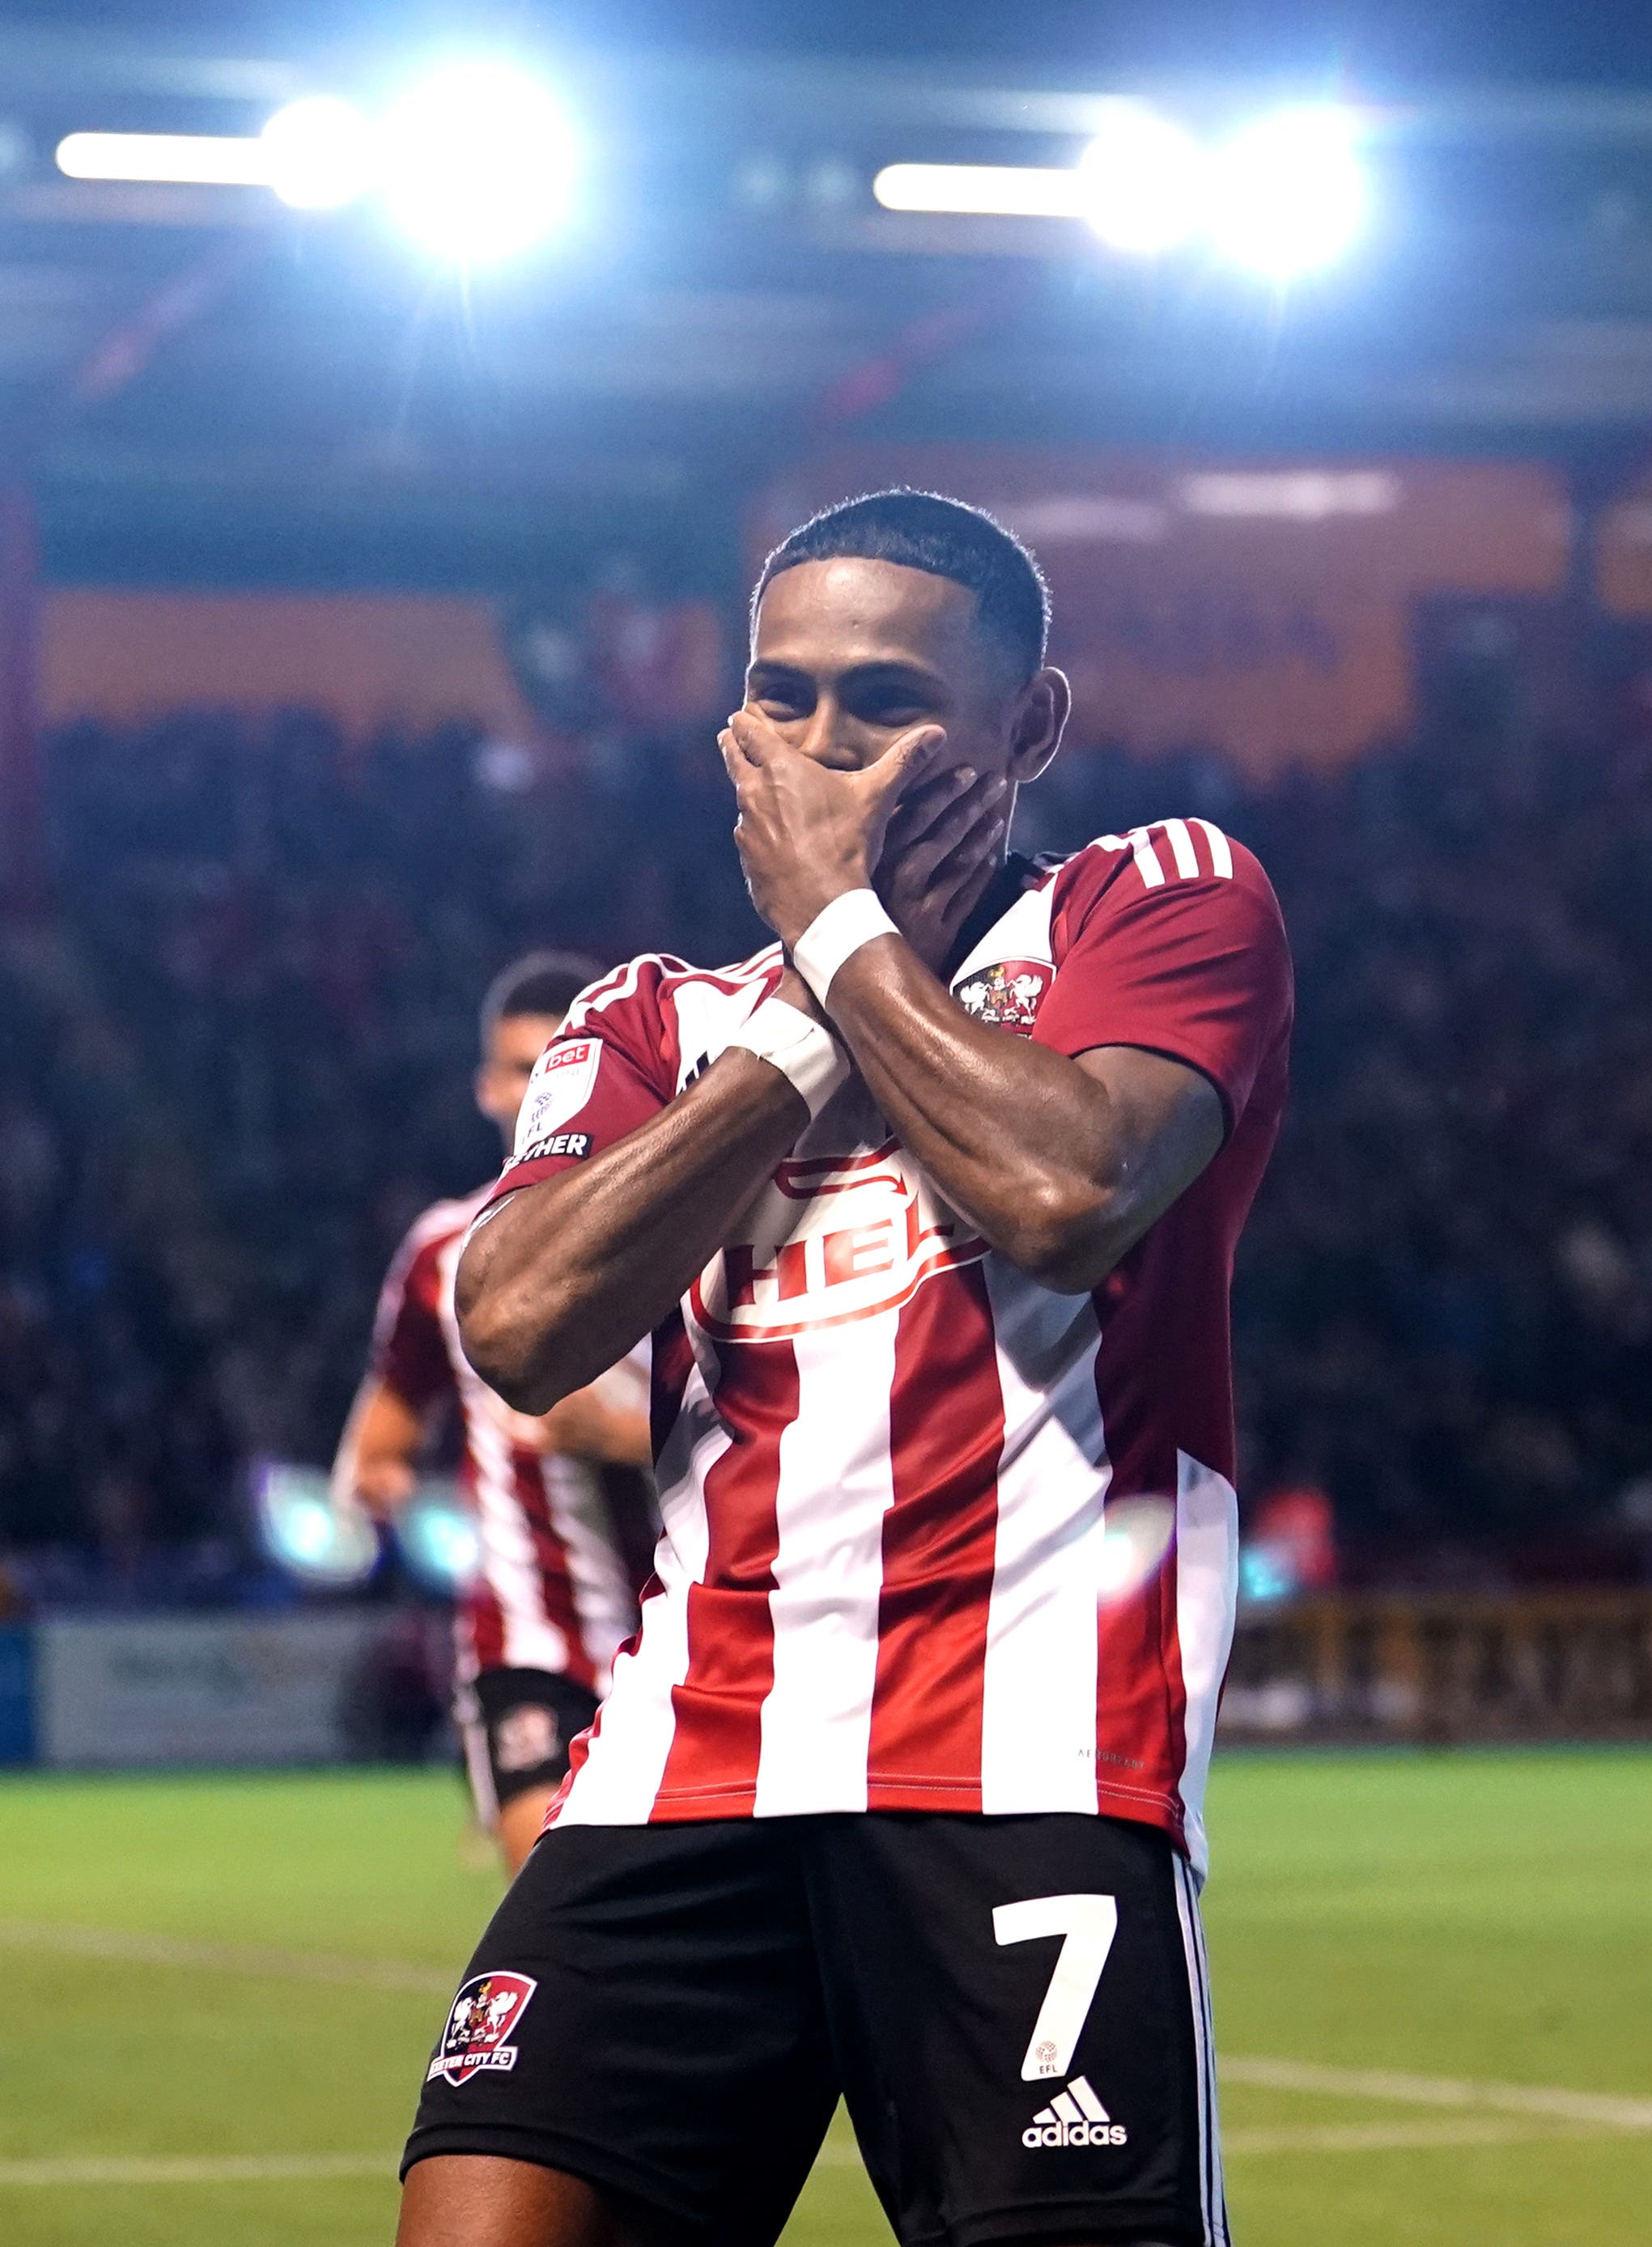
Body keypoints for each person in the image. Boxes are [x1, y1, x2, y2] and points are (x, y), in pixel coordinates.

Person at [403, 489, 1293, 2247]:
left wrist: (843, 935)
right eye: (781, 693)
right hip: (684, 1763)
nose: (818, 749)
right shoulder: (647, 1019)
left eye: (883, 700)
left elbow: (1063, 1186)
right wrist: (807, 1013)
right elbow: (514, 1324)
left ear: (1024, 726)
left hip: (1027, 1762)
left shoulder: (1159, 901)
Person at [338, 953, 657, 1873]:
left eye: (566, 1059)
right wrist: (420, 1506)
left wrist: (619, 1435)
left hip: (693, 1638)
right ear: (486, 1089)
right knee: (560, 1919)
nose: (541, 1089)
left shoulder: (700, 1235)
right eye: (522, 1068)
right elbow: (377, 1456)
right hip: (528, 1644)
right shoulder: (444, 1253)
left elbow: (774, 1426)